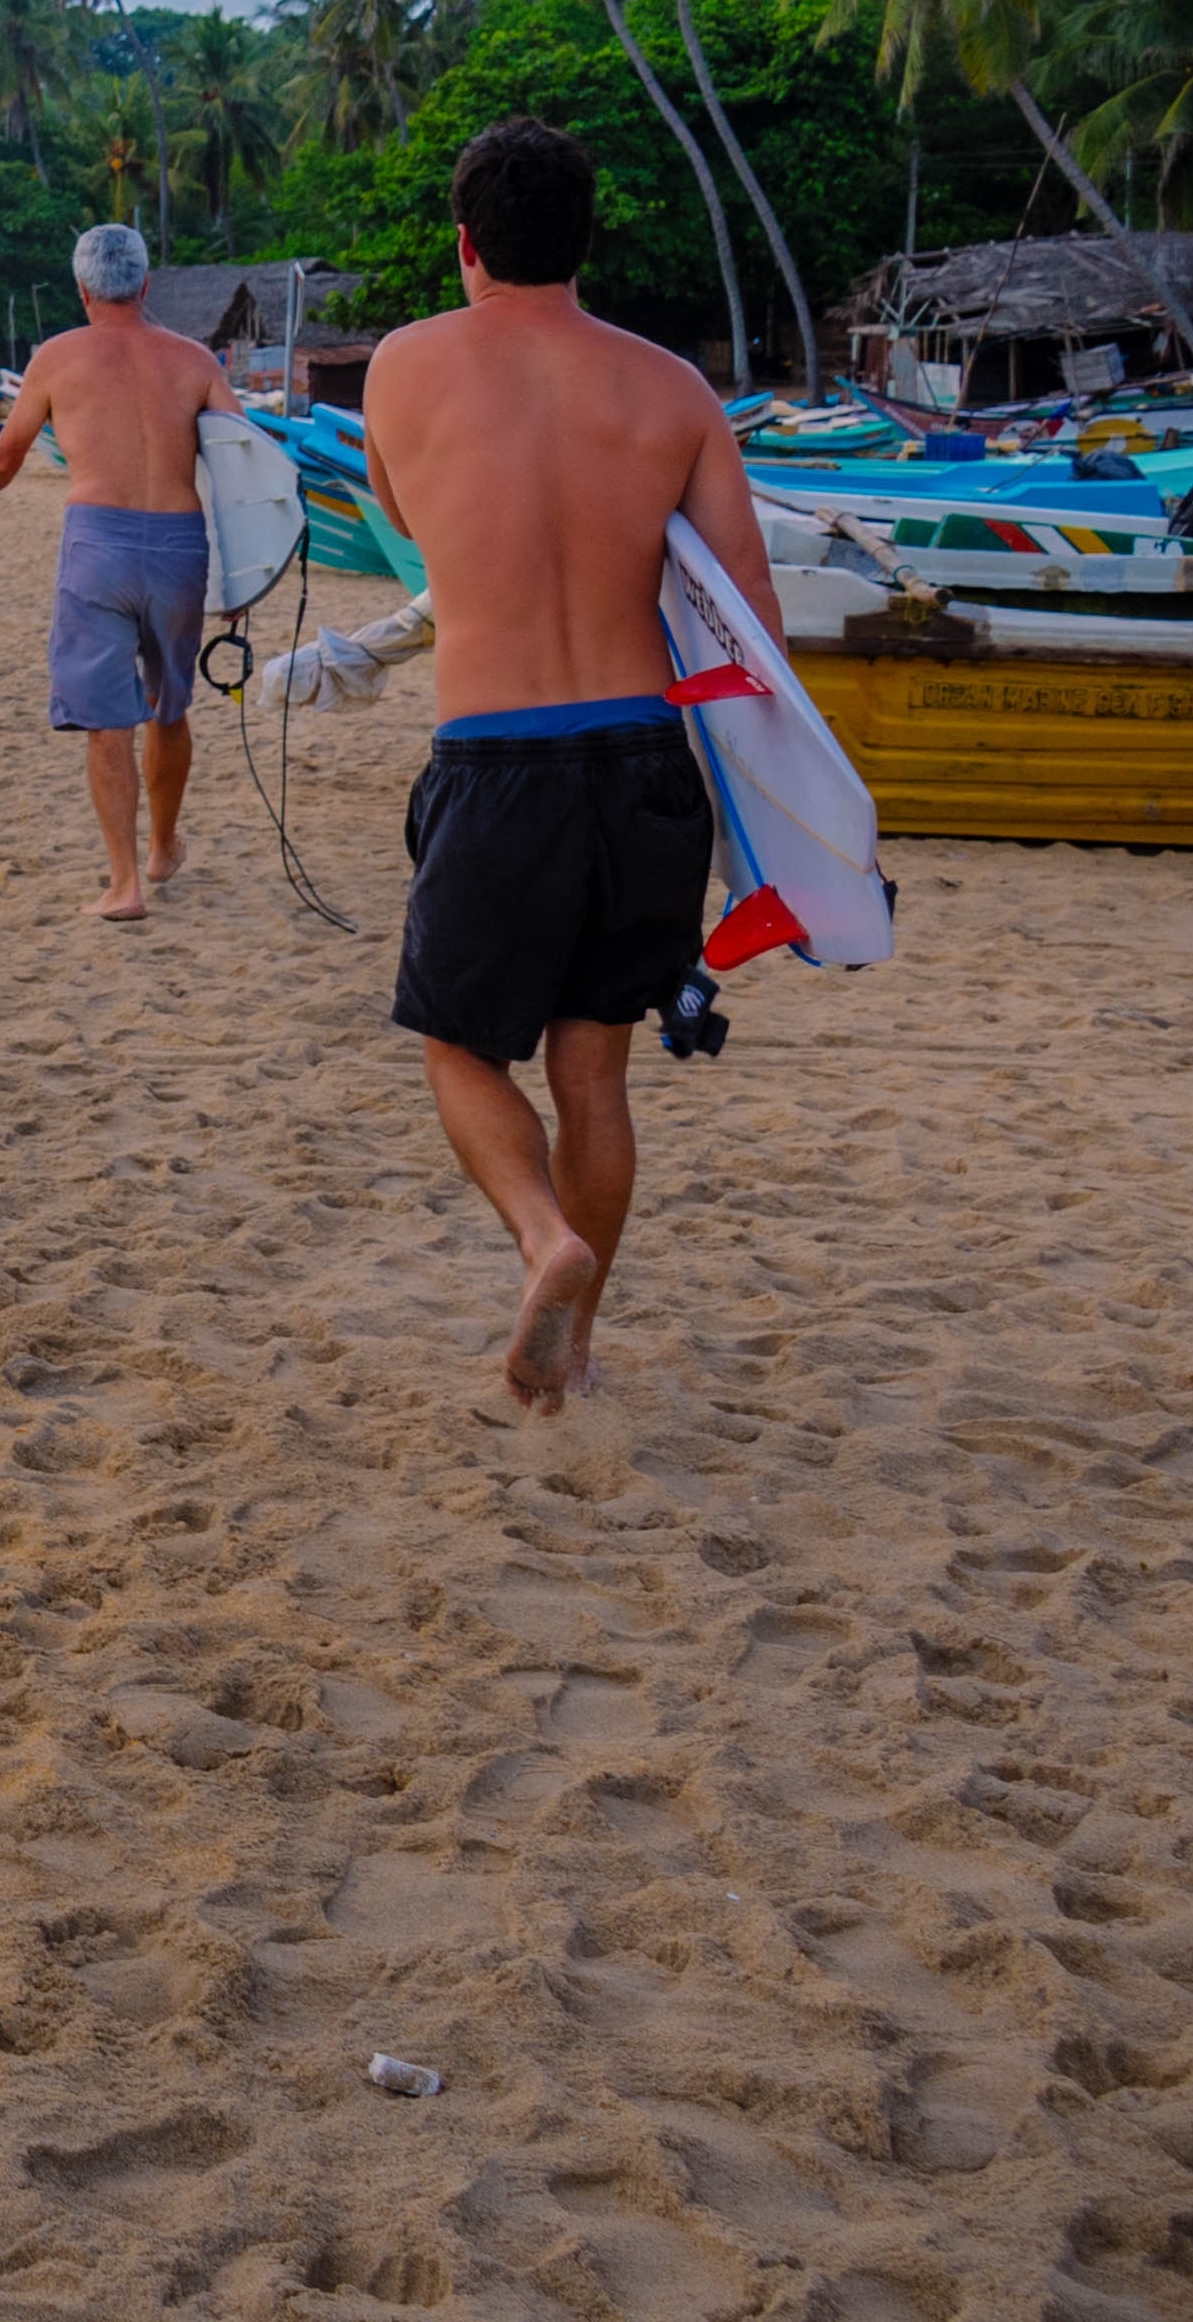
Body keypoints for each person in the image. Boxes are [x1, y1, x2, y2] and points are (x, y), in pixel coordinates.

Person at [360, 117, 763, 1416]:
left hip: (496, 761)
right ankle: (575, 1352)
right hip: (645, 766)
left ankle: (545, 1244)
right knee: (594, 1072)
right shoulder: (675, 393)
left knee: (457, 1048)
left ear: (465, 245)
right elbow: (744, 621)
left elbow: (417, 524)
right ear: (589, 242)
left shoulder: (404, 369)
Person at [0, 223, 235, 922]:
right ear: (146, 285)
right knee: (168, 706)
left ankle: (124, 885)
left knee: (106, 720)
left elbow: (6, 454)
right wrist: (248, 578)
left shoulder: (57, 358)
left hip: (98, 546)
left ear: (82, 290)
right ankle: (163, 846)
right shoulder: (195, 360)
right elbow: (242, 471)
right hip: (180, 545)